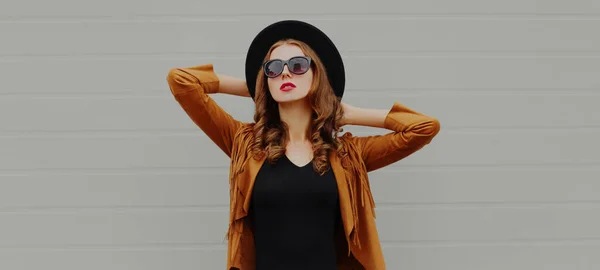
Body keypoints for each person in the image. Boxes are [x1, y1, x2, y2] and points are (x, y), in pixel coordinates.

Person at [166, 20, 440, 270]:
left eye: (297, 66)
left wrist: (350, 113)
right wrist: (258, 85)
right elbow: (181, 81)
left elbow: (423, 128)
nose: (285, 74)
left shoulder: (347, 154)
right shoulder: (245, 143)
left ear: (316, 75)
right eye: (274, 69)